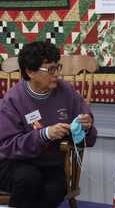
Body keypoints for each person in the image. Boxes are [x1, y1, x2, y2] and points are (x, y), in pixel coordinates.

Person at [0, 41, 98, 208]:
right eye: (50, 69)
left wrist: (86, 129)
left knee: (55, 190)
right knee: (29, 178)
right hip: (14, 164)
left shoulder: (67, 90)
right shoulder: (13, 99)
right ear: (30, 72)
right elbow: (8, 146)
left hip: (51, 166)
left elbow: (90, 139)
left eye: (57, 67)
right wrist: (44, 134)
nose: (57, 74)